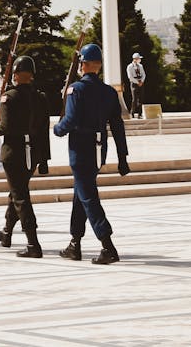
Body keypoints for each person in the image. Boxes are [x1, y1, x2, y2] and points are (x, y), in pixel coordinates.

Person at [54, 42, 130, 265]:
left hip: (81, 149)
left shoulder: (76, 89)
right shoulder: (108, 92)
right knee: (81, 194)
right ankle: (74, 243)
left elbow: (70, 120)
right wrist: (123, 157)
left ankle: (108, 245)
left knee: (88, 196)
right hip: (100, 149)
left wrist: (57, 129)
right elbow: (117, 126)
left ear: (84, 64)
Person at [0, 54, 50, 258]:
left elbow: (4, 127)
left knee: (20, 197)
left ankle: (33, 243)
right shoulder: (40, 97)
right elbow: (44, 131)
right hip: (33, 153)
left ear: (15, 75)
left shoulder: (10, 96)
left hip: (14, 153)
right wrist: (45, 160)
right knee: (17, 193)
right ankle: (7, 233)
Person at [126, 52, 146, 118]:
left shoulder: (140, 66)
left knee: (141, 99)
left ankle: (140, 113)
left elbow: (143, 74)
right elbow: (130, 77)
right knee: (134, 99)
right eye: (138, 58)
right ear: (135, 59)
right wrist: (137, 82)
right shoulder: (130, 66)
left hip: (141, 82)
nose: (139, 60)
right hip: (134, 83)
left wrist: (142, 81)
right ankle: (132, 112)